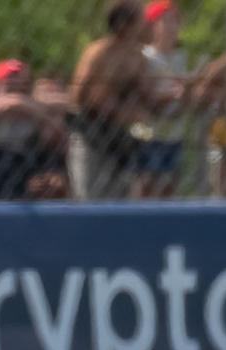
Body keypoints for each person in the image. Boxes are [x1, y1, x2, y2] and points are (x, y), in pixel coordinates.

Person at [70, 0, 153, 200]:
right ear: (124, 24)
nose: (147, 25)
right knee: (88, 198)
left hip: (122, 141)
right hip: (91, 137)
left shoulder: (139, 59)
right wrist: (110, 107)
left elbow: (144, 99)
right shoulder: (98, 53)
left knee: (122, 201)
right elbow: (76, 97)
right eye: (141, 20)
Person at [0, 59, 69, 199]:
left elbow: (61, 131)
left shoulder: (35, 119)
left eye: (23, 88)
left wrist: (30, 107)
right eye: (10, 87)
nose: (16, 94)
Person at [133, 0, 190, 197]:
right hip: (149, 134)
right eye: (165, 21)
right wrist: (173, 94)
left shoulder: (180, 58)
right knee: (147, 185)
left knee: (169, 188)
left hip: (173, 133)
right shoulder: (145, 57)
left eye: (175, 21)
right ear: (153, 25)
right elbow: (142, 95)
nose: (171, 27)